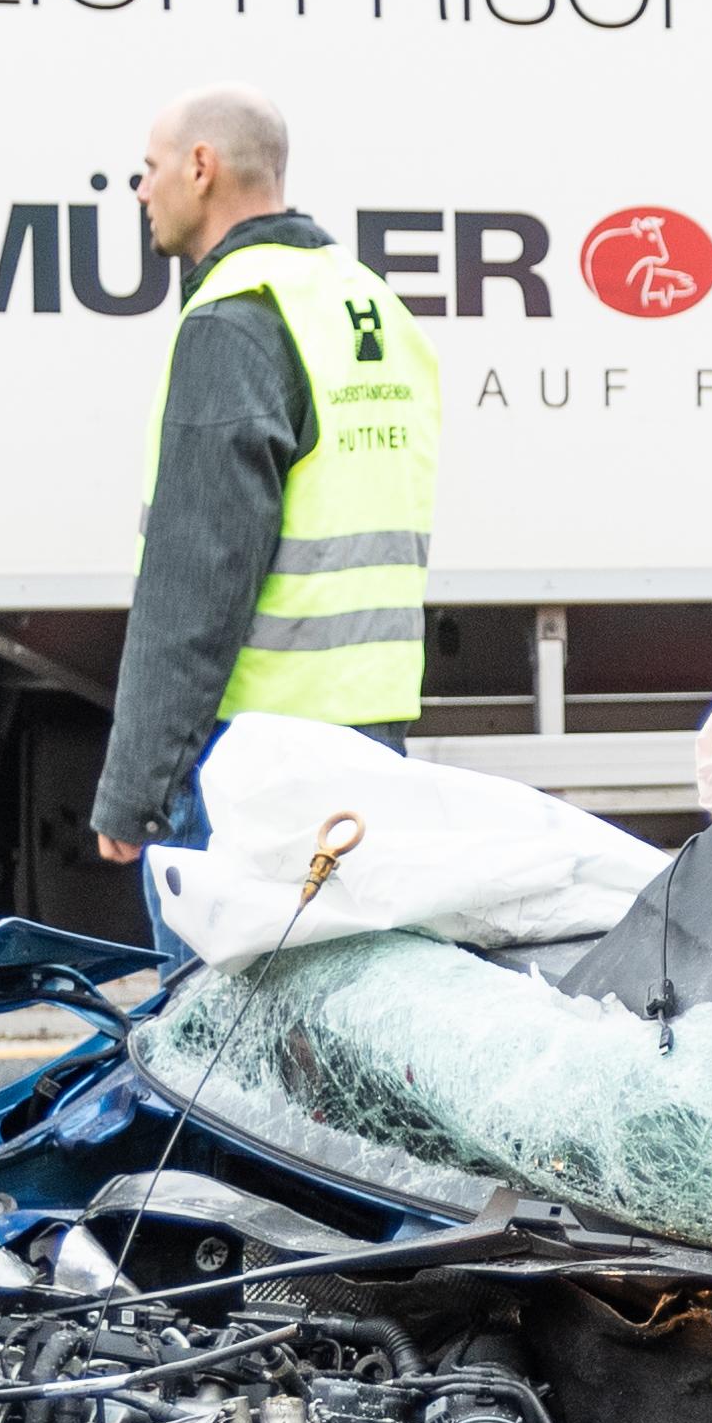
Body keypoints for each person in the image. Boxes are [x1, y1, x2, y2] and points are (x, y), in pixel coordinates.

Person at [87, 83, 435, 880]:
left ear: (201, 167)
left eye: (151, 167)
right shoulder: (368, 304)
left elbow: (197, 583)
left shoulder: (235, 320)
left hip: (254, 762)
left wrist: (135, 789)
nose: (141, 189)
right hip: (371, 745)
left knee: (215, 1005)